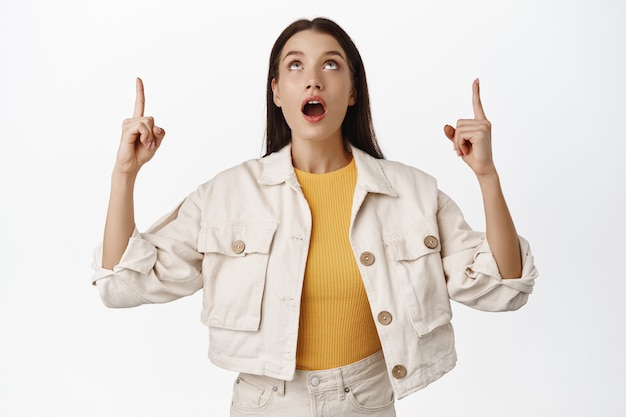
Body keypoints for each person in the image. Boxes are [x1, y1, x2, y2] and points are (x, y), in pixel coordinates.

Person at [92, 17, 538, 417]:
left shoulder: (412, 193)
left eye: (330, 65)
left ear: (352, 90)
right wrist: (124, 174)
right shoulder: (225, 196)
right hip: (266, 405)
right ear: (276, 92)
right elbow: (121, 283)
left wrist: (487, 175)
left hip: (367, 401)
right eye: (294, 66)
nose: (312, 81)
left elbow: (503, 287)